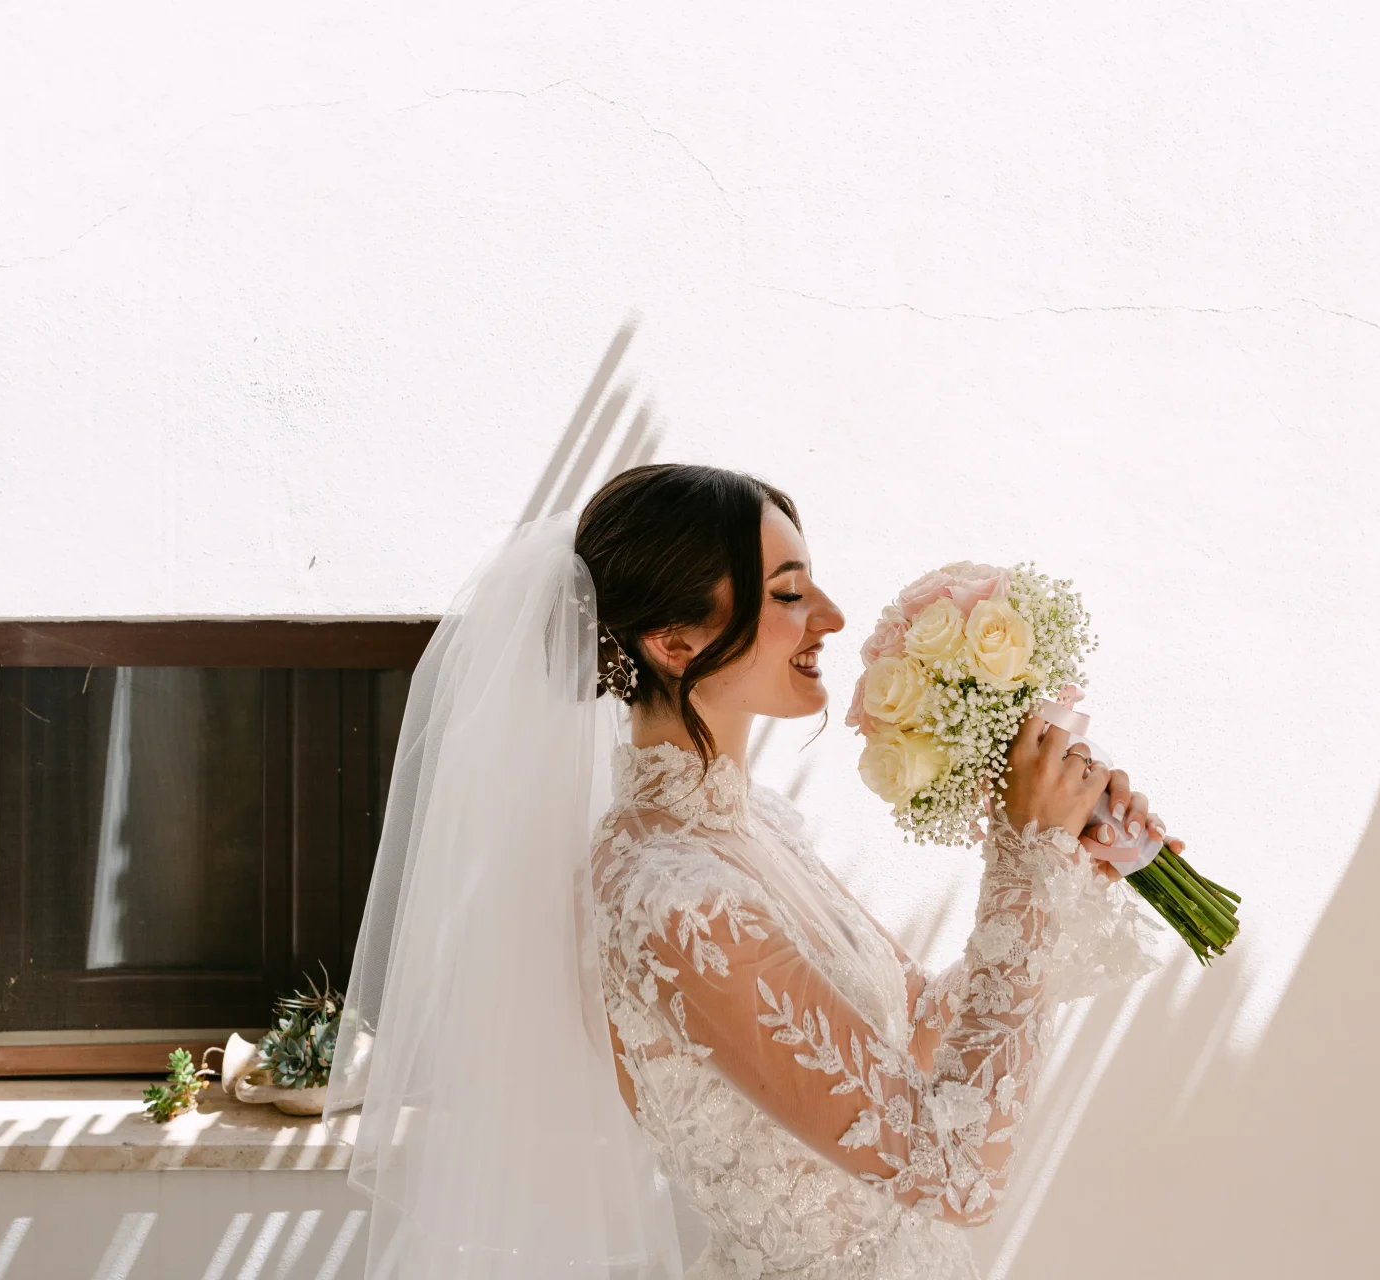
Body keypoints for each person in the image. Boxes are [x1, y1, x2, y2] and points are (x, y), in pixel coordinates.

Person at [329, 463, 1173, 1280]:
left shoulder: (754, 825)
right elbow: (955, 1172)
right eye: (788, 594)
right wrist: (1021, 872)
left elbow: (914, 1020)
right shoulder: (669, 897)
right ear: (674, 642)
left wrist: (1064, 868)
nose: (833, 617)